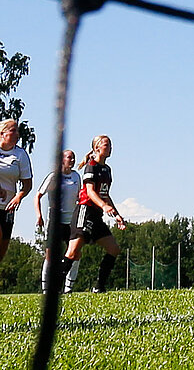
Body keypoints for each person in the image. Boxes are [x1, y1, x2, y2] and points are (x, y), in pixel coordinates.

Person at [64, 135, 125, 293]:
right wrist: (104, 206)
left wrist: (116, 215)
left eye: (110, 144)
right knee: (73, 250)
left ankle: (99, 287)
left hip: (97, 214)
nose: (110, 147)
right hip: (85, 211)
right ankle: (56, 286)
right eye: (106, 144)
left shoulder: (107, 170)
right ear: (97, 148)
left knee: (113, 249)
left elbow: (105, 194)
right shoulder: (91, 166)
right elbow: (90, 192)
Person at [35, 149, 80, 291]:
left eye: (73, 158)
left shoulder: (76, 177)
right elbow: (37, 196)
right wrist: (39, 216)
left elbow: (79, 197)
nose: (72, 160)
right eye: (69, 157)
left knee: (76, 253)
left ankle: (68, 287)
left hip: (71, 222)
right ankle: (46, 288)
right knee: (50, 256)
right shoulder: (54, 177)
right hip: (55, 222)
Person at [0, 120, 32, 267]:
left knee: (3, 247)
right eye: (13, 131)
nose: (17, 134)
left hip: (8, 207)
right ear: (2, 133)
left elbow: (27, 184)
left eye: (17, 131)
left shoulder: (20, 154)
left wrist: (19, 196)